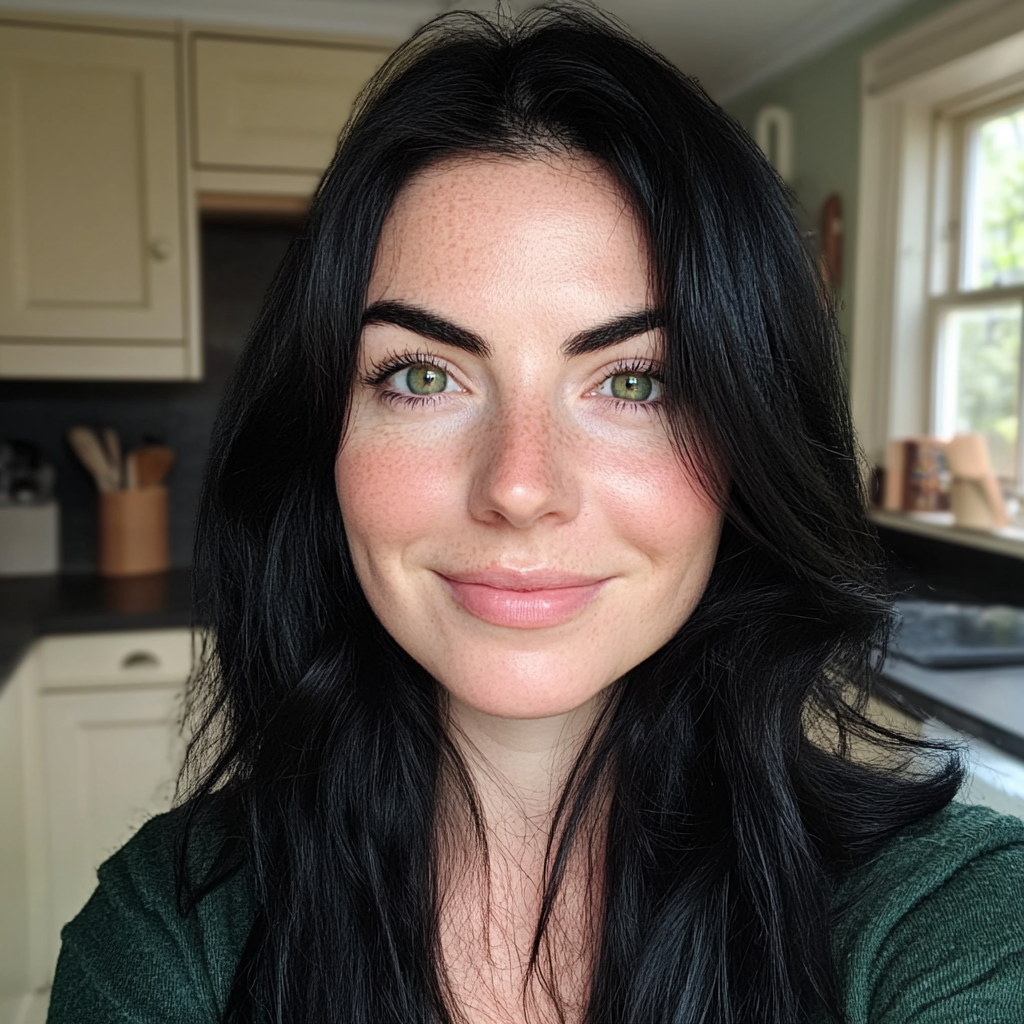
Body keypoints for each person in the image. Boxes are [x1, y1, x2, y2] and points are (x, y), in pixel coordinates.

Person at [47, 6, 1024, 1024]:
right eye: (422, 374)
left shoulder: (954, 924)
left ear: (753, 442)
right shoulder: (170, 930)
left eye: (637, 382)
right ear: (319, 438)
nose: (518, 485)